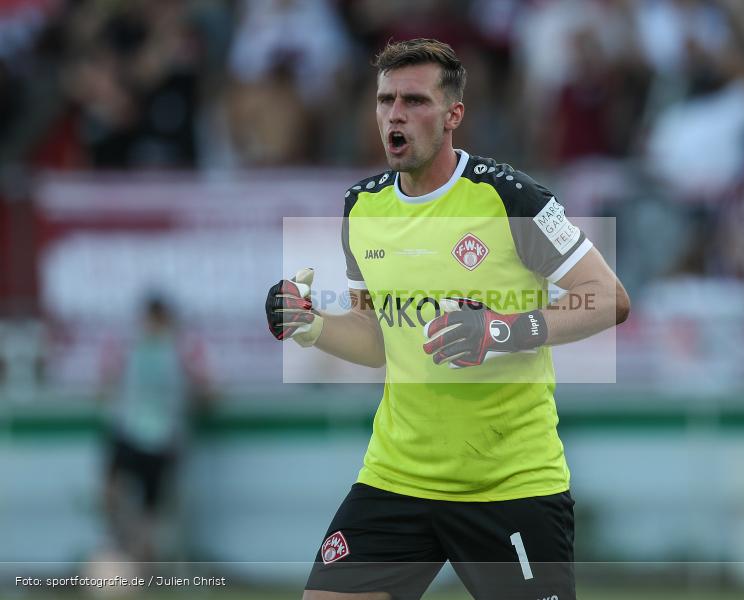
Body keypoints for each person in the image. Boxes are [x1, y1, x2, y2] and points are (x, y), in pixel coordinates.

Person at [265, 39, 630, 600]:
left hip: (509, 482)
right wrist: (310, 323)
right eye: (386, 100)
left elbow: (607, 297)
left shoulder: (511, 197)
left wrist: (501, 331)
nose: (395, 114)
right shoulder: (362, 207)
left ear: (453, 114)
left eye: (414, 100)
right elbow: (377, 341)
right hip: (396, 477)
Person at [101, 295, 209, 564]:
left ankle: (140, 564)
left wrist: (192, 398)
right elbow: (107, 381)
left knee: (151, 509)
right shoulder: (131, 346)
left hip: (162, 437)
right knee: (110, 493)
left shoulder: (182, 349)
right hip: (129, 430)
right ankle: (122, 545)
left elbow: (207, 387)